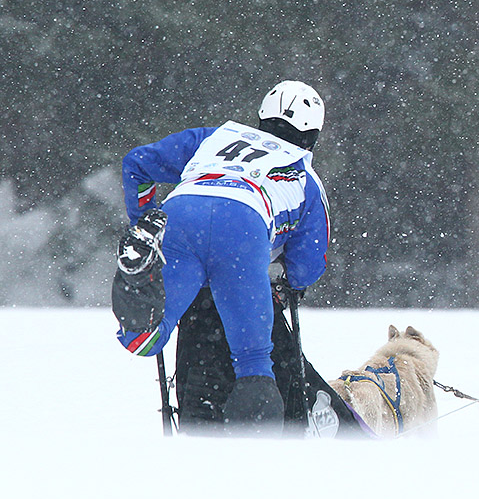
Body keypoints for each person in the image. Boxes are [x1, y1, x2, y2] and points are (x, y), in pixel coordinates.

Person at [112, 80, 330, 435]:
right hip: (244, 227)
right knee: (254, 363)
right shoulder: (304, 173)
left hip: (181, 214)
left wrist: (145, 220)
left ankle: (141, 286)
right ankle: (252, 450)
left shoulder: (214, 137)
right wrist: (289, 279)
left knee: (147, 337)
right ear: (312, 137)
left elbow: (137, 163)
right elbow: (310, 262)